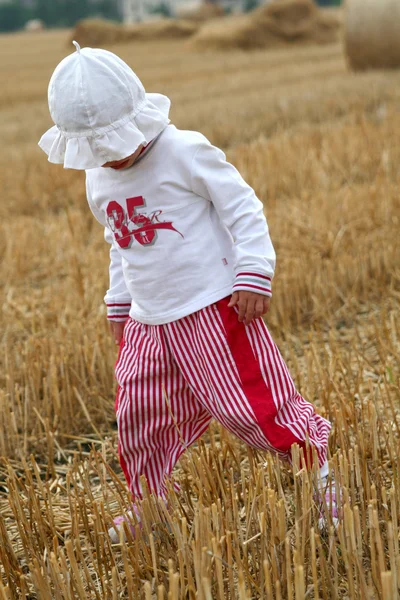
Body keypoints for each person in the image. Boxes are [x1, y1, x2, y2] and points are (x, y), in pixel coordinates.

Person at [39, 42, 338, 541]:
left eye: (114, 145)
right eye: (97, 151)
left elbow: (243, 207)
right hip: (148, 319)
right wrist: (118, 302)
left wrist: (254, 271)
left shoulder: (184, 150)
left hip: (213, 308)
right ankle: (150, 502)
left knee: (252, 410)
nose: (109, 160)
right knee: (136, 413)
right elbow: (120, 243)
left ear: (136, 121)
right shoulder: (98, 178)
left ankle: (319, 472)